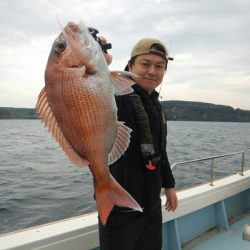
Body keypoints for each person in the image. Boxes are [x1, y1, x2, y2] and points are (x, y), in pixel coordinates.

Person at [98, 37, 178, 250]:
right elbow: (91, 83)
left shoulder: (155, 104)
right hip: (120, 205)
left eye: (159, 66)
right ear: (130, 65)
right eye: (145, 64)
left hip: (151, 204)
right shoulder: (117, 95)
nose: (152, 71)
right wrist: (97, 58)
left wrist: (169, 185)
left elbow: (160, 150)